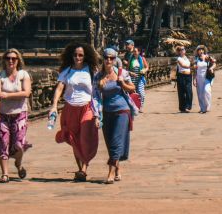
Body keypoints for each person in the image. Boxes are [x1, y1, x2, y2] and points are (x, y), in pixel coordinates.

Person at [49, 42, 101, 181]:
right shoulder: (67, 70)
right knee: (74, 138)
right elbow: (60, 88)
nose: (78, 57)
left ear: (85, 56)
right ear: (71, 56)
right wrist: (54, 105)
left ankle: (84, 167)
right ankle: (80, 170)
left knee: (85, 136)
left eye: (81, 55)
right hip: (70, 108)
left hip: (87, 107)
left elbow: (98, 88)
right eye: (75, 55)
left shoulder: (91, 69)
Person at [94, 47, 136, 184]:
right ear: (103, 59)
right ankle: (117, 168)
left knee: (116, 142)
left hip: (122, 111)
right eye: (106, 57)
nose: (109, 60)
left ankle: (111, 172)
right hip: (106, 112)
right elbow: (94, 97)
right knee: (110, 143)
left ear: (115, 59)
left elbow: (132, 88)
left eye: (112, 58)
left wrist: (122, 83)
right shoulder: (98, 77)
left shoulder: (121, 73)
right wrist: (100, 87)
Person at [0, 49, 32, 183]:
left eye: (14, 59)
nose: (11, 61)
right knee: (3, 142)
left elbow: (27, 93)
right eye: (8, 58)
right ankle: (5, 174)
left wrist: (8, 95)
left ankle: (18, 164)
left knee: (19, 145)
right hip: (3, 114)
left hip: (20, 113)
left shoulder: (23, 75)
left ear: (18, 61)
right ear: (4, 60)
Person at [124, 41, 148, 111]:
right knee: (132, 92)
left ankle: (141, 105)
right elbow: (127, 70)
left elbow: (147, 67)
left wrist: (144, 70)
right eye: (134, 51)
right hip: (132, 78)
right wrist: (130, 73)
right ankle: (133, 106)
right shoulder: (131, 59)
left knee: (141, 93)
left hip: (140, 78)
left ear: (139, 52)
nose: (134, 52)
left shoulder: (142, 58)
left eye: (136, 51)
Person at [193, 46, 216, 113]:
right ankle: (202, 108)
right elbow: (194, 71)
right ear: (197, 52)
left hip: (207, 77)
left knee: (207, 91)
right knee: (200, 94)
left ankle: (208, 106)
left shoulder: (207, 57)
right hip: (199, 77)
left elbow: (214, 64)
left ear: (204, 51)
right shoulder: (196, 59)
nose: (201, 51)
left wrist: (211, 68)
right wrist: (194, 79)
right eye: (199, 50)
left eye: (202, 50)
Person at [175, 45, 193, 112]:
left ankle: (188, 106)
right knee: (181, 92)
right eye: (181, 49)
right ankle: (182, 107)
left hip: (188, 76)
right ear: (179, 51)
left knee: (189, 91)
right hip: (181, 76)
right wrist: (191, 66)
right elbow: (183, 65)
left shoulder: (187, 58)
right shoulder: (179, 59)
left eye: (183, 49)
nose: (183, 50)